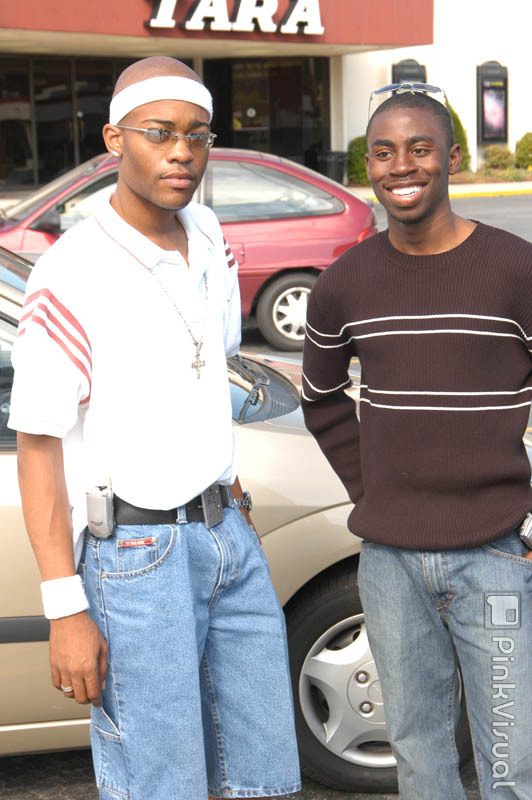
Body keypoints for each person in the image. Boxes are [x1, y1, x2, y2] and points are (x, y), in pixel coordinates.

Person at [9, 57, 301, 800]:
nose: (182, 152)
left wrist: (228, 481)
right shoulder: (70, 273)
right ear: (115, 139)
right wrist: (65, 607)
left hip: (227, 537)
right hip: (135, 557)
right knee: (160, 783)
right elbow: (38, 448)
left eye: (198, 135)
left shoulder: (209, 234)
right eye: (159, 133)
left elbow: (208, 373)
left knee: (263, 774)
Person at [301, 85, 532, 799]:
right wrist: (373, 492)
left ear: (452, 159)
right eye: (383, 152)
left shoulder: (517, 270)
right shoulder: (345, 282)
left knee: (512, 759)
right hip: (390, 564)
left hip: (495, 556)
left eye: (420, 148)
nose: (401, 166)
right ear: (368, 166)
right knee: (419, 755)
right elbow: (319, 399)